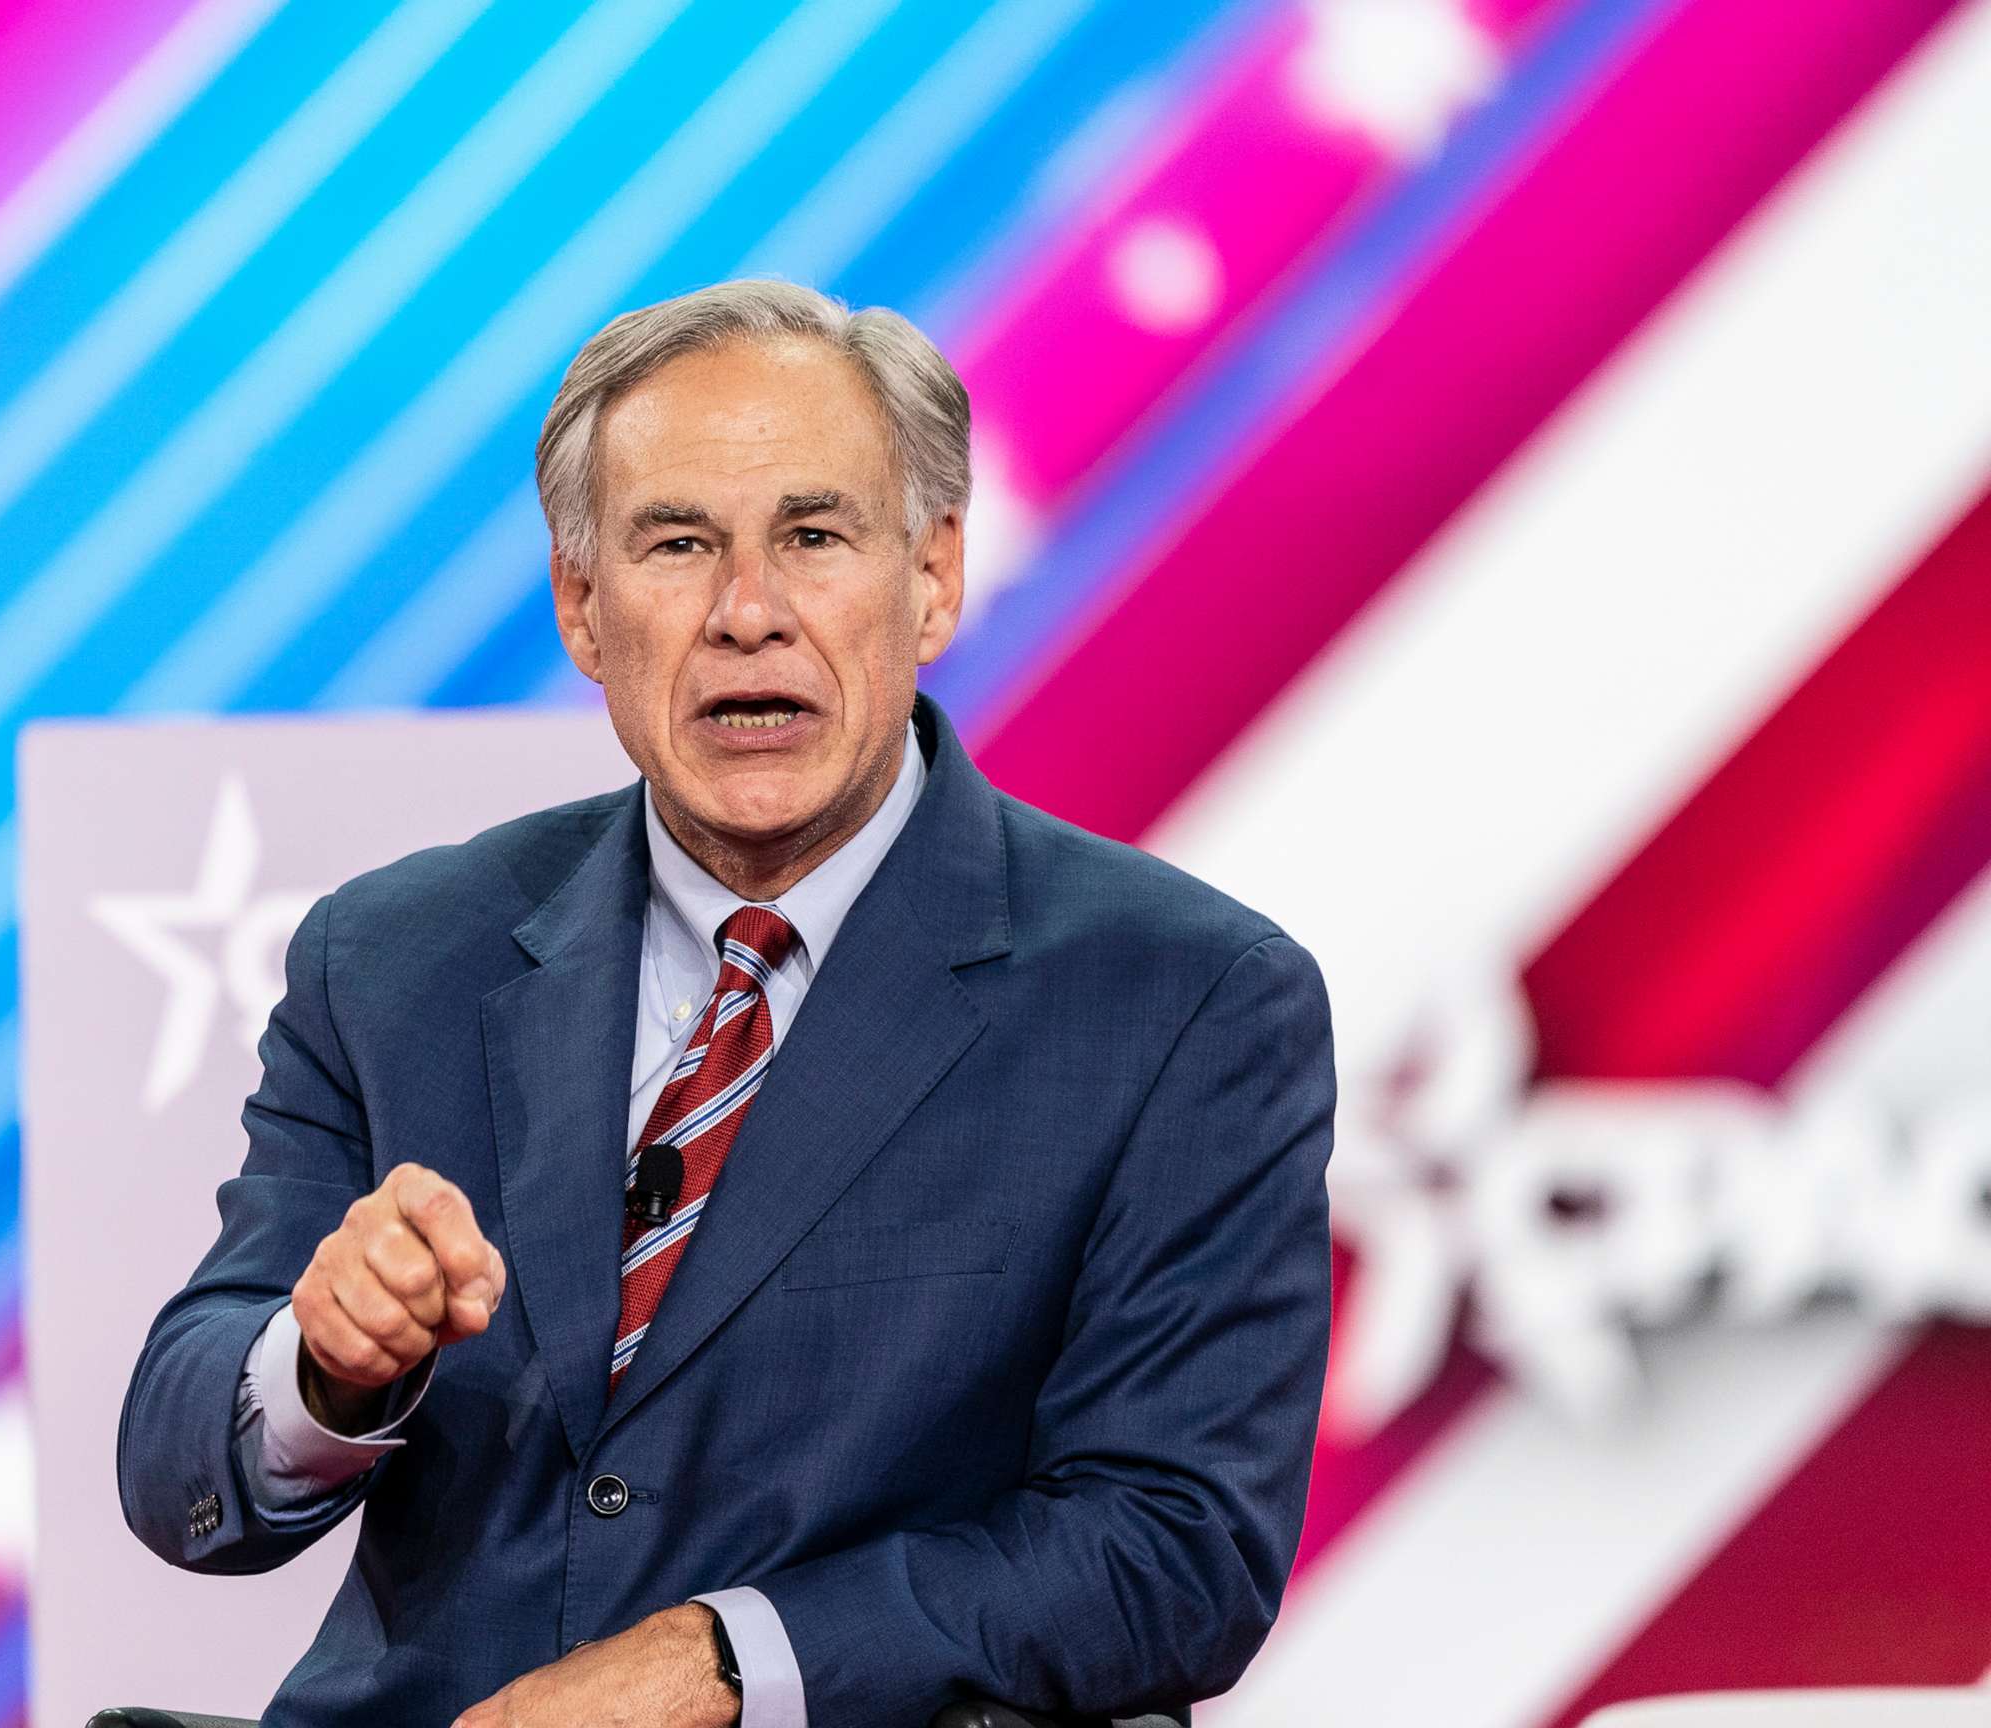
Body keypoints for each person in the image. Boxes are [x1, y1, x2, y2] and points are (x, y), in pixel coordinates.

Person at [116, 278, 1336, 1728]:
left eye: (815, 538)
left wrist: (726, 1662)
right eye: (678, 545)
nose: (748, 615)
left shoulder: (1184, 998)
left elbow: (1172, 1550)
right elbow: (177, 1467)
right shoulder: (394, 957)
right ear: (582, 607)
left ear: (933, 575)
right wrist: (326, 1368)